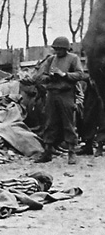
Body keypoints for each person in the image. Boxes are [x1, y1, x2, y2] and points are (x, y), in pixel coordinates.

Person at [35, 36, 86, 164]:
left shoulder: (73, 59)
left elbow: (80, 74)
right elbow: (42, 76)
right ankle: (47, 152)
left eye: (60, 49)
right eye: (56, 49)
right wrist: (49, 77)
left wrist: (64, 75)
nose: (57, 52)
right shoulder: (51, 59)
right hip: (52, 93)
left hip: (66, 94)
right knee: (50, 123)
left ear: (66, 49)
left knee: (68, 123)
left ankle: (71, 152)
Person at [77, 77, 105, 156]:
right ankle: (88, 145)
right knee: (88, 117)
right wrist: (90, 78)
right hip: (91, 91)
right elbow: (83, 73)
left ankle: (100, 145)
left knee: (103, 119)